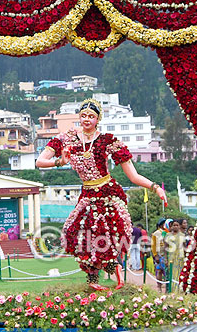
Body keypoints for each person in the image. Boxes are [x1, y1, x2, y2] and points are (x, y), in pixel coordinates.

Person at [36, 97, 167, 291]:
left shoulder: (107, 141)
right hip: (87, 195)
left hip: (107, 193)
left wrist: (155, 187)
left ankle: (117, 273)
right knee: (77, 233)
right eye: (83, 115)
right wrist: (60, 162)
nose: (86, 119)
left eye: (91, 116)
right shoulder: (68, 138)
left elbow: (133, 175)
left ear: (98, 119)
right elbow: (40, 161)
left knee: (107, 234)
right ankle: (93, 279)